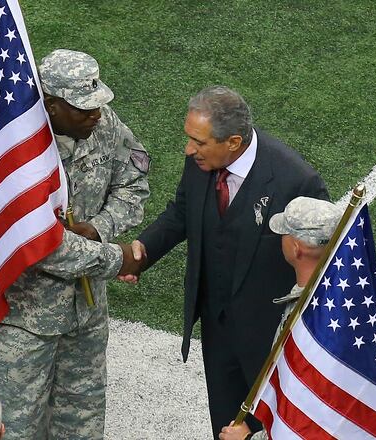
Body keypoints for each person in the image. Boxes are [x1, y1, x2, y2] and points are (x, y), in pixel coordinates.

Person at [120, 85, 329, 438]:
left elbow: (319, 262)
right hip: (218, 330)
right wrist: (143, 250)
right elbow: (183, 212)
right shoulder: (202, 159)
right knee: (225, 428)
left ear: (233, 142)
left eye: (198, 142)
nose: (189, 150)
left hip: (271, 341)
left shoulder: (296, 181)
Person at [0, 49, 150, 439]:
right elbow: (39, 245)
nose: (95, 115)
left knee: (80, 427)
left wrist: (99, 227)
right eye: (83, 109)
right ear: (51, 105)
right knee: (10, 429)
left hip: (84, 315)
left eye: (98, 103)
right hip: (18, 323)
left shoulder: (103, 125)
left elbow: (133, 185)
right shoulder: (12, 151)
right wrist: (116, 259)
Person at [219, 196, 342, 440]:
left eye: (284, 233)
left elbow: (307, 419)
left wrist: (246, 439)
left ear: (296, 248)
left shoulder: (305, 323)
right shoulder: (347, 300)